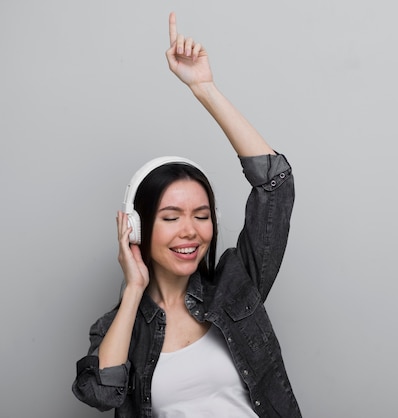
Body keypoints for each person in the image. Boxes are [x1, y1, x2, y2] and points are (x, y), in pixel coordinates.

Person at [72, 12, 302, 418]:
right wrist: (133, 290)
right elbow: (100, 393)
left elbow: (275, 186)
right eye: (171, 217)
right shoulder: (120, 326)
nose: (191, 232)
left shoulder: (235, 287)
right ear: (138, 226)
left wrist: (204, 88)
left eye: (201, 215)